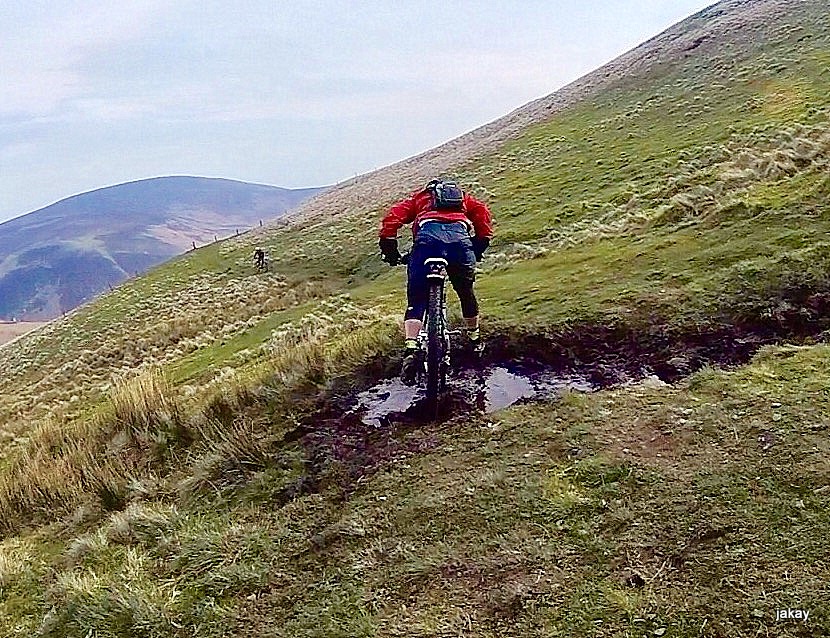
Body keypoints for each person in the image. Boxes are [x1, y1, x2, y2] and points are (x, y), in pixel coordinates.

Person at [378, 178, 493, 385]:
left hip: (427, 242)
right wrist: (478, 247)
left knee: (417, 299)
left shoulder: (420, 199)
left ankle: (411, 347)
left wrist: (390, 251)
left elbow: (392, 218)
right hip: (460, 243)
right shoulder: (465, 200)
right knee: (466, 292)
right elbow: (483, 216)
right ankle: (475, 340)